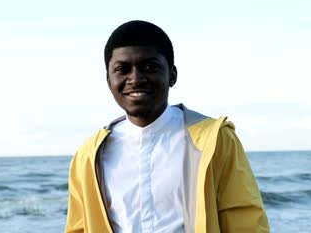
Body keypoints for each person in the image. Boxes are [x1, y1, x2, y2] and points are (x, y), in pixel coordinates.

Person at [65, 20, 269, 232]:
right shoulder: (89, 156)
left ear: (172, 75)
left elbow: (246, 221)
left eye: (149, 67)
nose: (135, 79)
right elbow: (78, 227)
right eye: (122, 69)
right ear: (109, 80)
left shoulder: (215, 141)